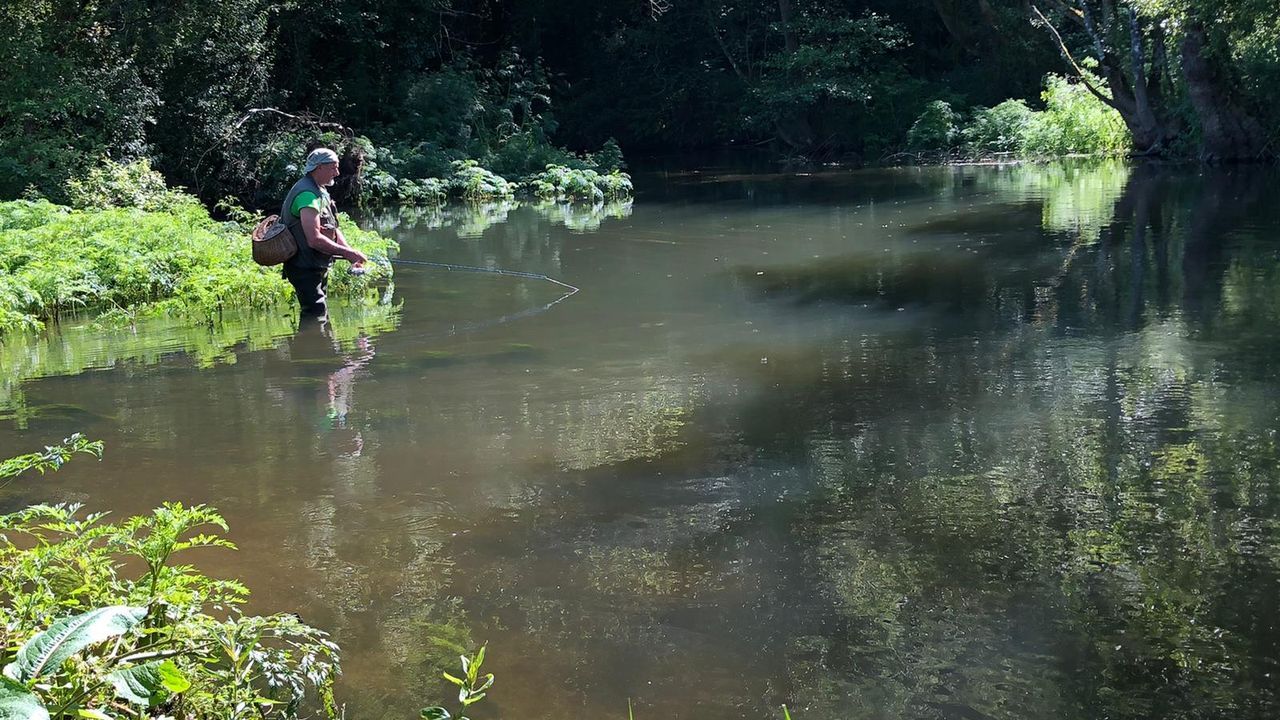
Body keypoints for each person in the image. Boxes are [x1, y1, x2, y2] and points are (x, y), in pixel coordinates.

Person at [280, 148, 368, 318]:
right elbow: (314, 239)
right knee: (315, 315)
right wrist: (348, 253)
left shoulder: (319, 190)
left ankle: (322, 344)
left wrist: (351, 253)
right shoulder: (307, 195)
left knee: (320, 315)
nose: (337, 172)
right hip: (304, 267)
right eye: (333, 167)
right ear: (319, 168)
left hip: (316, 265)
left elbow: (332, 228)